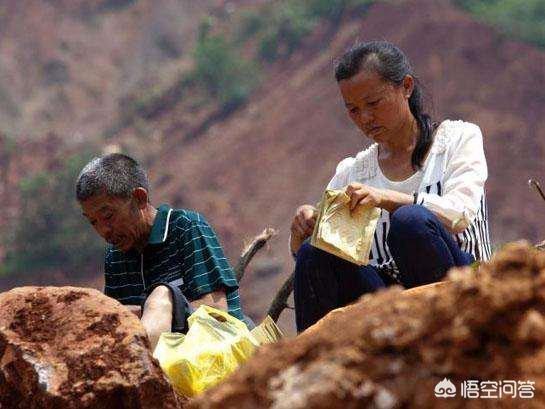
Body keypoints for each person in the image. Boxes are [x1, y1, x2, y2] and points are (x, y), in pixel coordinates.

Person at [290, 41, 491, 333]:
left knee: (411, 222)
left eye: (373, 104)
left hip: (462, 289)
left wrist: (388, 198)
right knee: (314, 252)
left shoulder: (459, 140)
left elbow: (460, 216)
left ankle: (453, 338)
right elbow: (317, 260)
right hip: (390, 305)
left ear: (406, 87)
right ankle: (309, 366)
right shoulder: (354, 171)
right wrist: (304, 228)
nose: (365, 118)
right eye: (353, 110)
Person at [76, 153, 247, 349]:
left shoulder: (186, 227)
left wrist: (158, 310)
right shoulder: (115, 257)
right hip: (159, 365)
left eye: (108, 216)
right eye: (93, 222)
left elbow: (216, 310)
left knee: (162, 295)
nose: (103, 230)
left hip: (213, 357)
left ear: (139, 198)